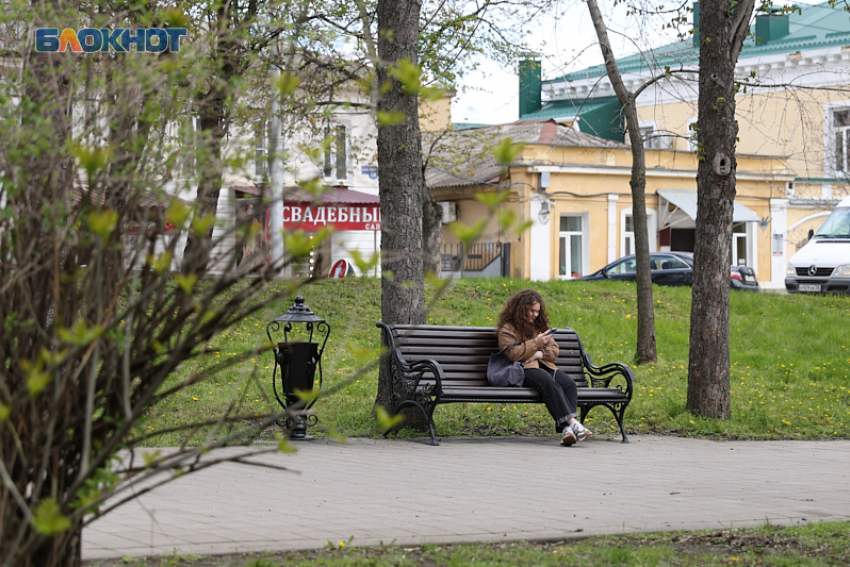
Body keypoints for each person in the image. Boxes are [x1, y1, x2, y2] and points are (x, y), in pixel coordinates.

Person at [495, 289, 592, 446]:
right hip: (523, 369)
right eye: (531, 311)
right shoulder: (507, 330)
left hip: (545, 366)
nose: (535, 315)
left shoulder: (538, 328)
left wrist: (539, 354)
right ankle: (574, 424)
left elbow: (553, 351)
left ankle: (567, 431)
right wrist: (537, 343)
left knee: (569, 384)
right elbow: (513, 354)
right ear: (521, 309)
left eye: (537, 311)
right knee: (548, 383)